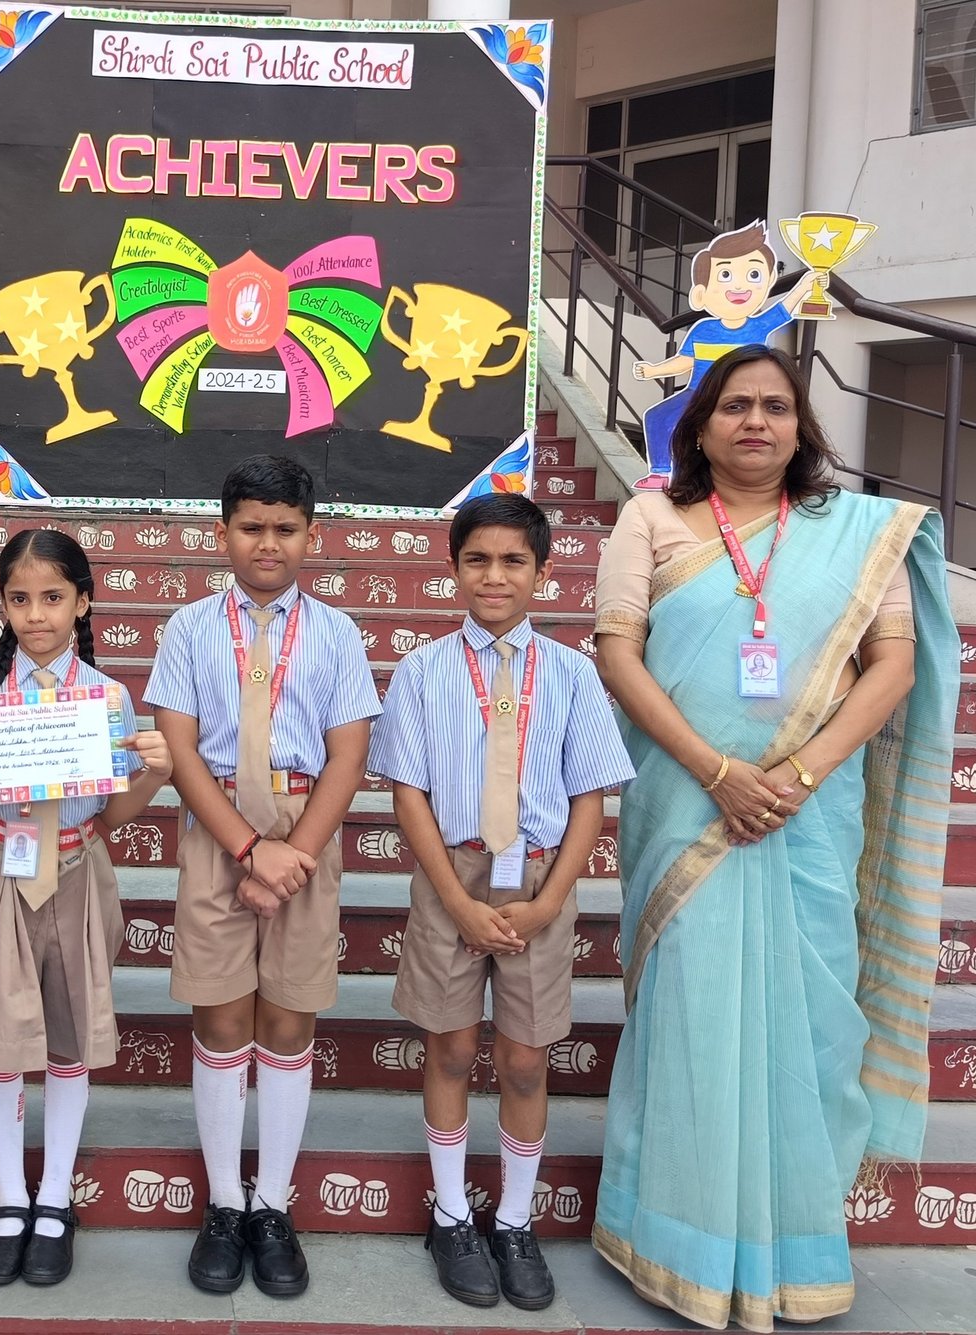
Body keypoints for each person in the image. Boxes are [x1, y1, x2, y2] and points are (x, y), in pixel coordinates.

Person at [591, 343, 957, 1331]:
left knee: (810, 1022)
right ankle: (674, 1242)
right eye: (735, 405)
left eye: (777, 407)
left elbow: (892, 667)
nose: (756, 422)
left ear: (802, 428)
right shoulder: (649, 517)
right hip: (687, 806)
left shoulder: (856, 533)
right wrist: (718, 772)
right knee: (692, 1016)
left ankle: (796, 1249)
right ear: (700, 425)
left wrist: (795, 776)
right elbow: (618, 655)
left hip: (810, 815)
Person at [368, 494, 633, 1311]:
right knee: (450, 1049)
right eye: (477, 559)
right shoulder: (422, 670)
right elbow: (408, 794)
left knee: (524, 1058)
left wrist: (550, 903)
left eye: (514, 560)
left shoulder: (573, 673)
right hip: (453, 874)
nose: (494, 575)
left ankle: (514, 1219)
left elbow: (590, 796)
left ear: (543, 572)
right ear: (453, 569)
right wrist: (455, 899)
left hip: (541, 881)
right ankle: (452, 1214)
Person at [146, 455, 381, 1299]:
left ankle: (272, 1203)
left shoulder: (338, 633)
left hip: (304, 829)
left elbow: (348, 754)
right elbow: (179, 748)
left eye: (285, 527)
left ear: (311, 535)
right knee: (220, 1017)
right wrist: (250, 851)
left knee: (286, 1020)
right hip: (220, 829)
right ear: (223, 534)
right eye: (251, 526)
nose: (268, 542)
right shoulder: (187, 629)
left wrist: (290, 856)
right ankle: (222, 1202)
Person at [0, 530, 172, 1287]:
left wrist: (153, 775)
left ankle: (55, 1199)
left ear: (83, 602)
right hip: (1, 871)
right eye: (20, 598)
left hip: (77, 868)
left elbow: (111, 815)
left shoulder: (109, 700)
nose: (36, 615)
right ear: (2, 605)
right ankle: (10, 1200)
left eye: (53, 597)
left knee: (68, 1036)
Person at [631, 222, 812, 490]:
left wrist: (804, 286)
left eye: (753, 274)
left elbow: (783, 309)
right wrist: (654, 371)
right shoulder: (703, 329)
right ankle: (661, 472)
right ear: (700, 294)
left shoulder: (758, 326)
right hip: (697, 393)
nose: (739, 286)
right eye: (725, 275)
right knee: (659, 417)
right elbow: (686, 361)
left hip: (740, 397)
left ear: (769, 281)